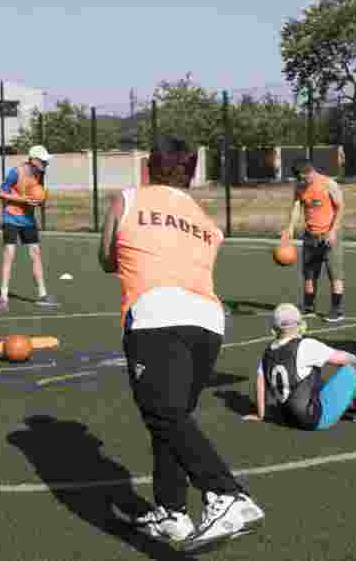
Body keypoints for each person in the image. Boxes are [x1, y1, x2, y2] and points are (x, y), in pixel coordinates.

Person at [100, 136, 264, 552]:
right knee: (174, 420)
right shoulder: (205, 221)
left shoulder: (129, 198)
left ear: (148, 167)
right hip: (207, 322)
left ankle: (226, 495)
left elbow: (106, 258)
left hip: (156, 315)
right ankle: (171, 512)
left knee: (163, 414)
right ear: (190, 174)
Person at [242, 303, 356, 428]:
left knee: (324, 386)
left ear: (274, 329)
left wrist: (261, 415)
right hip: (314, 417)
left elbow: (260, 384)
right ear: (299, 324)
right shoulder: (305, 345)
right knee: (353, 370)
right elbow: (344, 359)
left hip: (288, 417)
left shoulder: (267, 352)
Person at [0, 144, 58, 311]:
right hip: (11, 217)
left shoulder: (40, 173)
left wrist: (40, 200)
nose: (46, 163)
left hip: (28, 219)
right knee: (9, 254)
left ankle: (43, 295)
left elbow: (38, 193)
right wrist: (22, 200)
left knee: (36, 253)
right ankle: (3, 296)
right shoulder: (16, 172)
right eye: (43, 161)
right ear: (34, 160)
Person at [285, 159, 346, 322]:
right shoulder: (300, 186)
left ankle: (337, 310)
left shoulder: (328, 184)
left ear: (310, 172)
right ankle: (309, 307)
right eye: (299, 179)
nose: (301, 182)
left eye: (303, 178)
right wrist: (290, 227)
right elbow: (296, 207)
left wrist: (333, 231)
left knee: (335, 274)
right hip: (310, 236)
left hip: (329, 235)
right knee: (309, 274)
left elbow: (340, 208)